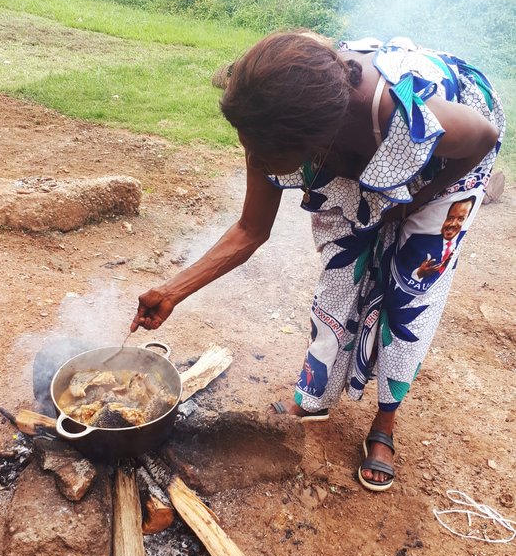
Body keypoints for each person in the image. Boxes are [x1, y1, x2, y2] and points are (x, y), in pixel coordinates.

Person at [130, 33, 504, 492]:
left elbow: (484, 138)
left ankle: (384, 423)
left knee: (411, 291)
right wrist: (171, 292)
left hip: (445, 165)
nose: (256, 160)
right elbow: (251, 229)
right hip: (361, 152)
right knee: (341, 275)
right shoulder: (271, 116)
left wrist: (418, 198)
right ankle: (315, 397)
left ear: (314, 140)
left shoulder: (401, 114)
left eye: (264, 153)